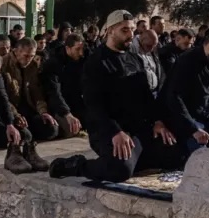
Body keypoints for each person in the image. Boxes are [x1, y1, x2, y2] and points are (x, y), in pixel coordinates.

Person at [48, 10, 180, 182]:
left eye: (132, 30)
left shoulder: (135, 59)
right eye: (124, 30)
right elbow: (94, 105)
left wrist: (158, 121)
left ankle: (135, 158)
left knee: (176, 153)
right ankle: (76, 165)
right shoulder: (96, 62)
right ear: (110, 31)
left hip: (138, 130)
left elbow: (146, 96)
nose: (130, 35)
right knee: (120, 170)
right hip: (108, 130)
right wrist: (115, 131)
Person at [161, 27, 209, 156]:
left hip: (202, 116)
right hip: (182, 118)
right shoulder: (187, 61)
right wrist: (193, 128)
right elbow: (174, 98)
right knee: (200, 153)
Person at [3, 37, 59, 142]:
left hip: (29, 109)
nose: (28, 59)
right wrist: (15, 115)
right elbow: (3, 97)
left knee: (52, 128)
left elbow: (36, 91)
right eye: (26, 56)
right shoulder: (4, 64)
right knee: (24, 136)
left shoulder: (33, 65)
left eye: (31, 56)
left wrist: (43, 112)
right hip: (11, 111)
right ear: (16, 51)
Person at [41, 33, 88, 138]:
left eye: (82, 49)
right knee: (71, 129)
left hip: (76, 102)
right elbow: (53, 92)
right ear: (68, 48)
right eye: (77, 49)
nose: (81, 53)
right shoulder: (53, 64)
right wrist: (67, 113)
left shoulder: (82, 60)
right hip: (58, 105)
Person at [133, 29, 163, 96]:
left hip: (154, 93)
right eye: (149, 46)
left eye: (154, 46)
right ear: (142, 40)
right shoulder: (132, 50)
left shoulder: (152, 49)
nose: (151, 49)